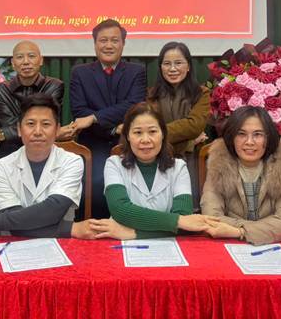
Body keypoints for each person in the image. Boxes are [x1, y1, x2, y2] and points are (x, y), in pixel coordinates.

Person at [0, 93, 95, 239]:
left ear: (57, 130)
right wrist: (71, 229)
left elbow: (52, 211)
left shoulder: (72, 162)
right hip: (13, 243)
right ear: (19, 129)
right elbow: (14, 226)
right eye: (30, 124)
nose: (38, 132)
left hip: (61, 244)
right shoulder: (0, 168)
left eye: (46, 124)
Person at [90, 103, 219, 240]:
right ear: (127, 136)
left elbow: (185, 222)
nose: (145, 140)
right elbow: (121, 211)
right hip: (120, 245)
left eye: (152, 132)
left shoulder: (179, 168)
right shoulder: (114, 164)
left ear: (163, 134)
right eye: (138, 132)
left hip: (165, 245)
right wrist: (177, 221)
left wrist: (134, 234)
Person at [70, 19, 146, 217]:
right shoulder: (80, 73)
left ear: (123, 43)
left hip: (129, 143)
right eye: (103, 40)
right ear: (95, 43)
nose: (109, 45)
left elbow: (134, 105)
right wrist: (113, 127)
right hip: (93, 143)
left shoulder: (137, 71)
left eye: (114, 40)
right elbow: (79, 112)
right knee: (96, 184)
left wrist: (95, 117)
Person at [201, 105, 281, 245]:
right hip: (230, 244)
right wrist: (274, 229)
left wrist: (239, 232)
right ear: (231, 137)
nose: (249, 142)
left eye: (257, 135)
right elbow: (211, 218)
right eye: (241, 134)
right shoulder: (219, 165)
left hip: (271, 246)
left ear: (268, 138)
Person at [147, 42, 210, 210]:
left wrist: (157, 132)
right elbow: (148, 130)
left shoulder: (201, 93)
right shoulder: (151, 96)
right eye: (167, 64)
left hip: (191, 161)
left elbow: (194, 125)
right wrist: (189, 142)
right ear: (160, 67)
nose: (172, 69)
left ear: (188, 66)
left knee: (188, 212)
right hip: (158, 159)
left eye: (178, 63)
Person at [0, 40, 75, 159]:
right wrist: (5, 133)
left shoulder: (54, 85)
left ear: (41, 60)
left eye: (31, 56)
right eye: (20, 57)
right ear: (13, 63)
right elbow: (8, 124)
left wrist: (4, 134)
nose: (26, 62)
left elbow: (47, 122)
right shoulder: (0, 90)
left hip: (44, 150)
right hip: (10, 153)